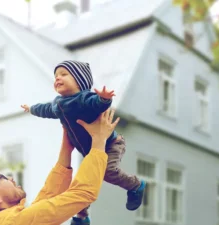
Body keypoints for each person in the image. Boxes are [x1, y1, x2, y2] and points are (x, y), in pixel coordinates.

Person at [21, 60, 146, 225]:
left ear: (80, 81)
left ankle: (135, 185)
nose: (58, 78)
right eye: (56, 76)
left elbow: (95, 104)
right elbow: (44, 109)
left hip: (111, 144)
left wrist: (104, 99)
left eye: (64, 74)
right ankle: (81, 217)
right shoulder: (57, 104)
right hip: (91, 150)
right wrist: (31, 109)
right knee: (82, 180)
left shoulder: (83, 98)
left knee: (108, 172)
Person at [0, 108, 120, 225]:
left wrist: (66, 146)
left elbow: (45, 202)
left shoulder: (1, 221)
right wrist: (99, 140)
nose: (10, 178)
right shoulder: (13, 221)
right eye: (2, 178)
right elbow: (83, 193)